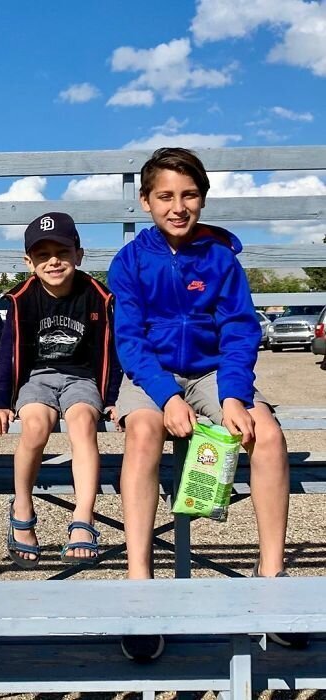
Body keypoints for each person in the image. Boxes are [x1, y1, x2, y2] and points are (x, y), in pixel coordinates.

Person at [108, 147, 306, 662]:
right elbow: (130, 342)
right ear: (146, 202)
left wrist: (236, 395)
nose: (178, 206)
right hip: (153, 375)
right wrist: (168, 396)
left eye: (189, 194)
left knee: (267, 433)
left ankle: (271, 578)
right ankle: (141, 588)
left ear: (203, 198)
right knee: (144, 431)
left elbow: (240, 331)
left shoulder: (221, 258)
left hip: (216, 374)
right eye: (166, 196)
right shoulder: (129, 261)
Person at [0, 212, 121, 569]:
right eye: (43, 255)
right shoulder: (22, 298)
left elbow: (111, 350)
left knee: (82, 426)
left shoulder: (98, 296)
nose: (54, 261)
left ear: (79, 254)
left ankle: (83, 518)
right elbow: (7, 354)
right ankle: (22, 505)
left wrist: (111, 399)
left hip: (81, 379)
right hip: (38, 378)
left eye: (62, 251)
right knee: (35, 426)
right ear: (29, 262)